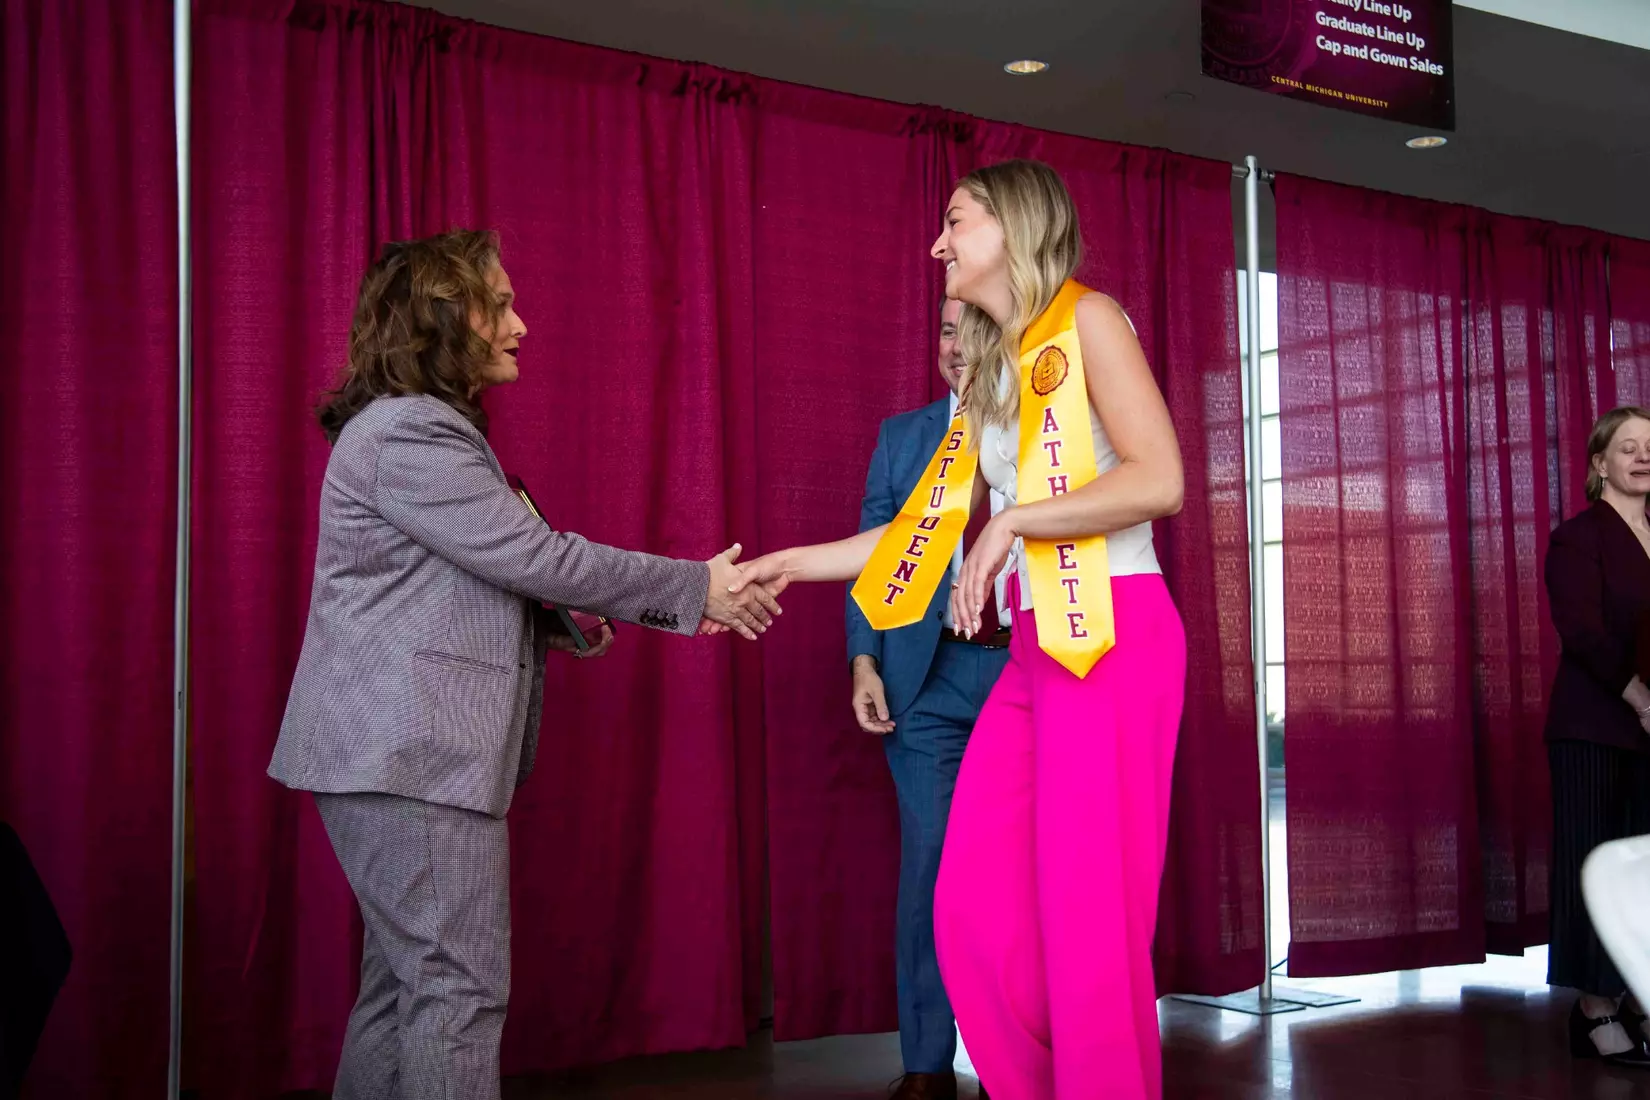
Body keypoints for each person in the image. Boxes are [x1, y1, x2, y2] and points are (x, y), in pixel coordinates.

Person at [266, 230, 781, 1100]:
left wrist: (564, 625)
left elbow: (459, 577)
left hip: (388, 756)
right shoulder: (411, 433)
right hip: (412, 760)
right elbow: (536, 556)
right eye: (498, 304)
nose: (521, 325)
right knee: (455, 995)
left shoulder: (404, 431)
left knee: (404, 993)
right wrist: (697, 588)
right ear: (441, 317)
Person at [732, 159, 1186, 1099]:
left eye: (957, 221)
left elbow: (1159, 479)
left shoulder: (1089, 322)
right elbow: (918, 532)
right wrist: (794, 561)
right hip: (1037, 654)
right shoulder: (999, 373)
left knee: (1088, 910)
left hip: (1114, 633)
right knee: (974, 900)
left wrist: (1014, 522)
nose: (938, 243)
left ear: (1014, 227)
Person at [847, 296, 1011, 1100]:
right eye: (944, 327)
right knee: (933, 865)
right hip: (927, 681)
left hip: (1030, 670)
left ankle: (1020, 1058)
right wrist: (863, 661)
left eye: (969, 326)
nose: (954, 344)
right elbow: (873, 559)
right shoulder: (902, 439)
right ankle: (925, 1061)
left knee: (1030, 868)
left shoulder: (1038, 431)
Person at [1542, 405, 1650, 1066]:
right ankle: (1593, 1010)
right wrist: (1638, 696)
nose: (1643, 457)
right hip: (1594, 728)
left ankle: (1638, 994)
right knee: (1593, 863)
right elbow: (1582, 633)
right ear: (1599, 464)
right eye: (1629, 446)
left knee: (1644, 872)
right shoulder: (1579, 538)